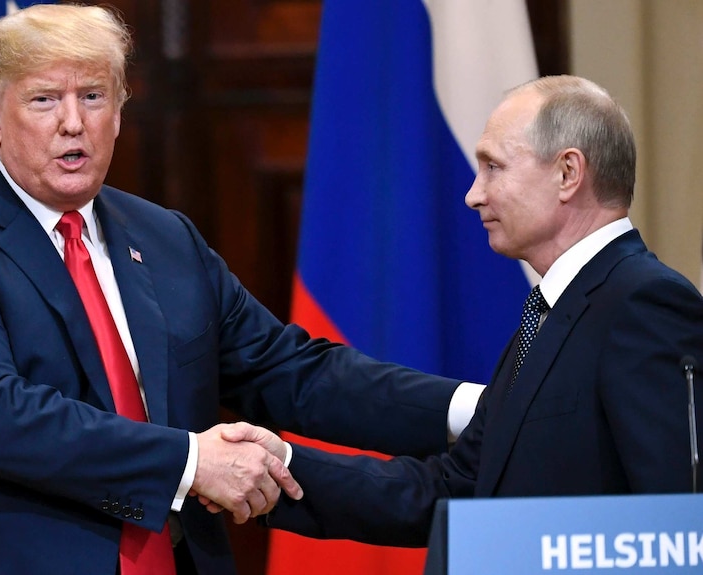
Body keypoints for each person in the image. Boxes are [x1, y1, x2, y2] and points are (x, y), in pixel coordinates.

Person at [0, 4, 480, 574]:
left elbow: (289, 371)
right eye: (44, 100)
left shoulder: (164, 238)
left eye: (93, 96)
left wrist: (472, 408)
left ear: (120, 109)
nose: (73, 123)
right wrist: (193, 463)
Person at [246, 75, 703, 546]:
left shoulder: (644, 304)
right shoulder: (553, 311)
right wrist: (279, 467)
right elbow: (456, 488)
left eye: (493, 167)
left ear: (568, 173)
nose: (473, 194)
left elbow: (675, 527)